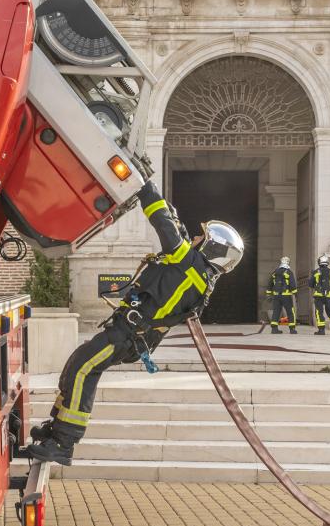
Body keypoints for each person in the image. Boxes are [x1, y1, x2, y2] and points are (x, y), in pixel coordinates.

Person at [23, 180, 244, 465]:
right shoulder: (198, 274)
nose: (196, 239)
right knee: (79, 363)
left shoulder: (189, 263)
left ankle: (63, 443)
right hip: (130, 335)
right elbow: (178, 230)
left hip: (127, 334)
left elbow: (164, 225)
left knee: (83, 369)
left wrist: (145, 189)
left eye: (202, 239)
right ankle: (57, 427)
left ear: (211, 247)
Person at [265, 256, 298, 334]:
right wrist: (295, 293)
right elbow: (292, 284)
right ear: (288, 263)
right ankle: (292, 329)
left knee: (276, 311)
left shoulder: (275, 272)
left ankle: (274, 329)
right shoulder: (289, 272)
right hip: (286, 295)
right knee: (290, 311)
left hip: (276, 296)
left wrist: (269, 294)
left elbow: (270, 284)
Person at [309, 254, 330, 335]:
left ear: (319, 262)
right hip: (328, 295)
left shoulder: (315, 272)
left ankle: (321, 330)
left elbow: (310, 284)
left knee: (319, 312)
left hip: (319, 295)